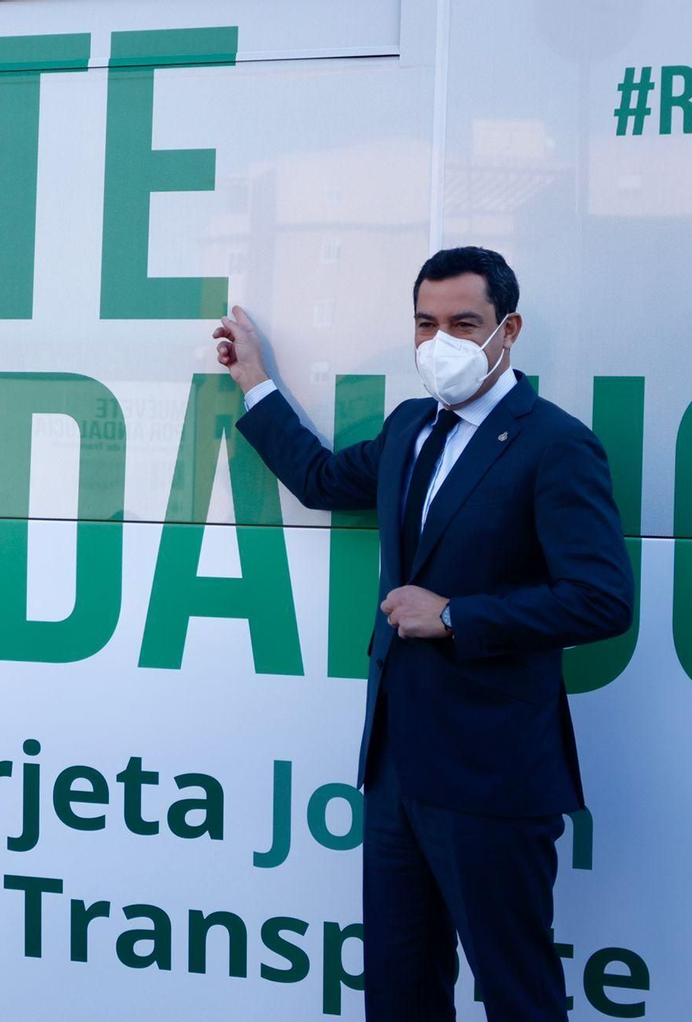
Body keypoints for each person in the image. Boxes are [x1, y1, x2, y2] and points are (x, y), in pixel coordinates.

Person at [213, 246, 633, 1020]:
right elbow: (321, 480)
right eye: (425, 324)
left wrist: (455, 615)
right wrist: (255, 381)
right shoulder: (410, 426)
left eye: (463, 324)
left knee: (518, 995)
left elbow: (601, 600)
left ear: (508, 330)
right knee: (400, 991)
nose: (440, 341)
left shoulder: (555, 444)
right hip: (397, 772)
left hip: (492, 776)